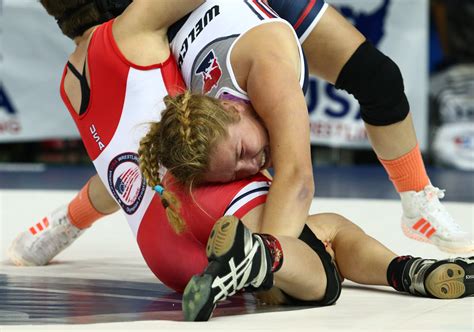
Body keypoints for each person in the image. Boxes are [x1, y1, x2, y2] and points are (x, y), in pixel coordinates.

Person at [8, 0, 471, 269]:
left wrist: (269, 265)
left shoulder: (261, 73)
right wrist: (275, 264)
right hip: (186, 26)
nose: (257, 161)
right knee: (164, 157)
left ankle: (418, 201)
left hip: (232, 26)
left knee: (380, 79)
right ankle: (72, 216)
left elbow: (296, 177)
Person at [135, 91, 474, 321]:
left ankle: (413, 273)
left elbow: (104, 189)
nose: (251, 164)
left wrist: (77, 221)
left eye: (241, 155)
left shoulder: (176, 163)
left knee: (325, 229)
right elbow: (297, 180)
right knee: (324, 275)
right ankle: (261, 255)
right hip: (222, 233)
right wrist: (279, 269)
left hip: (174, 260)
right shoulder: (264, 82)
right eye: (236, 162)